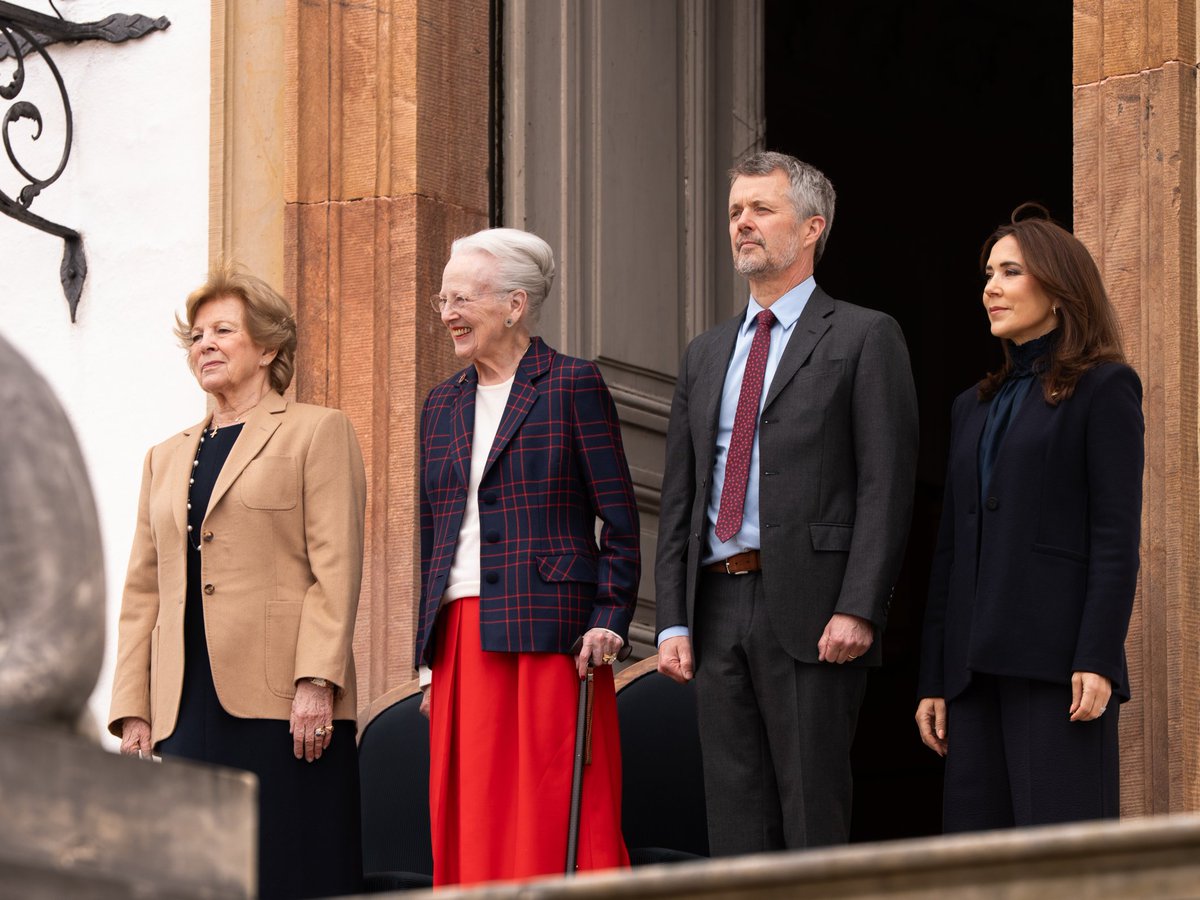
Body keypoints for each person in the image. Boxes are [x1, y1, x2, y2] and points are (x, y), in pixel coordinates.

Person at [655, 151, 919, 853]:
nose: (742, 223)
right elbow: (681, 494)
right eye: (736, 211)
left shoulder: (865, 335)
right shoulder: (705, 353)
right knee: (733, 811)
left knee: (812, 809)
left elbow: (884, 484)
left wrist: (860, 605)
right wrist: (672, 620)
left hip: (811, 606)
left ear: (811, 227)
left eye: (760, 209)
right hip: (715, 606)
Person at [108, 263, 367, 899]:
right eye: (197, 335)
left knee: (289, 871)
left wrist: (317, 681)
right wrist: (133, 708)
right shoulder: (163, 457)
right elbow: (143, 590)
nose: (206, 345)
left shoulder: (316, 430)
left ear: (268, 347)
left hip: (284, 704)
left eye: (223, 330)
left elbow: (336, 566)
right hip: (184, 707)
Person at [417, 227, 639, 885]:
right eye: (443, 299)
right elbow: (434, 539)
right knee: (471, 813)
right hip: (461, 640)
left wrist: (610, 618)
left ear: (514, 305)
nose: (449, 312)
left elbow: (621, 522)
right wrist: (429, 660)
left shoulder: (572, 384)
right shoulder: (441, 404)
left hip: (553, 635)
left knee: (555, 813)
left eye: (464, 298)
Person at [915, 205, 1143, 831]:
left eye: (1010, 271)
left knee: (1061, 867)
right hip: (970, 670)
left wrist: (1097, 656)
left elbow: (1115, 539)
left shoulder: (1106, 388)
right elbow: (950, 553)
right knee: (978, 866)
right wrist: (935, 677)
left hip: (1058, 667)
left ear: (1059, 287)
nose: (990, 287)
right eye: (988, 273)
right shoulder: (971, 405)